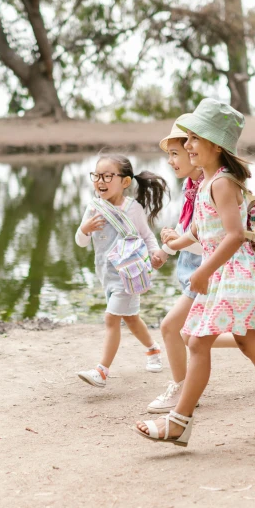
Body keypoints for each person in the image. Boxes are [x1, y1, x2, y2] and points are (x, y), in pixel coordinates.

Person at [134, 99, 255, 446]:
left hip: (235, 273)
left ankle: (178, 422)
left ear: (215, 144)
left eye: (193, 139)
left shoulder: (222, 183)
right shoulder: (209, 182)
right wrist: (170, 248)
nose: (187, 146)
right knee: (249, 344)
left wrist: (202, 273)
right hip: (227, 274)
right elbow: (201, 231)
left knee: (198, 342)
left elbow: (233, 235)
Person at [146, 117, 255, 414]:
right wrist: (169, 245)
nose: (174, 159)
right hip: (204, 273)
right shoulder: (195, 190)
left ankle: (181, 399)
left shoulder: (216, 184)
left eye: (178, 152)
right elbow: (197, 231)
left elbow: (220, 238)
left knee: (176, 331)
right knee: (197, 337)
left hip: (214, 273)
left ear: (209, 148)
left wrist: (189, 257)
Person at [76, 152, 170, 388]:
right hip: (105, 274)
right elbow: (81, 242)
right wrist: (84, 229)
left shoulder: (133, 208)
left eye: (108, 176)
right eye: (97, 176)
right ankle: (153, 348)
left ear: (125, 182)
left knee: (111, 319)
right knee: (131, 318)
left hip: (128, 273)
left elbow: (147, 236)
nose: (101, 181)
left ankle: (102, 371)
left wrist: (156, 254)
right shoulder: (93, 207)